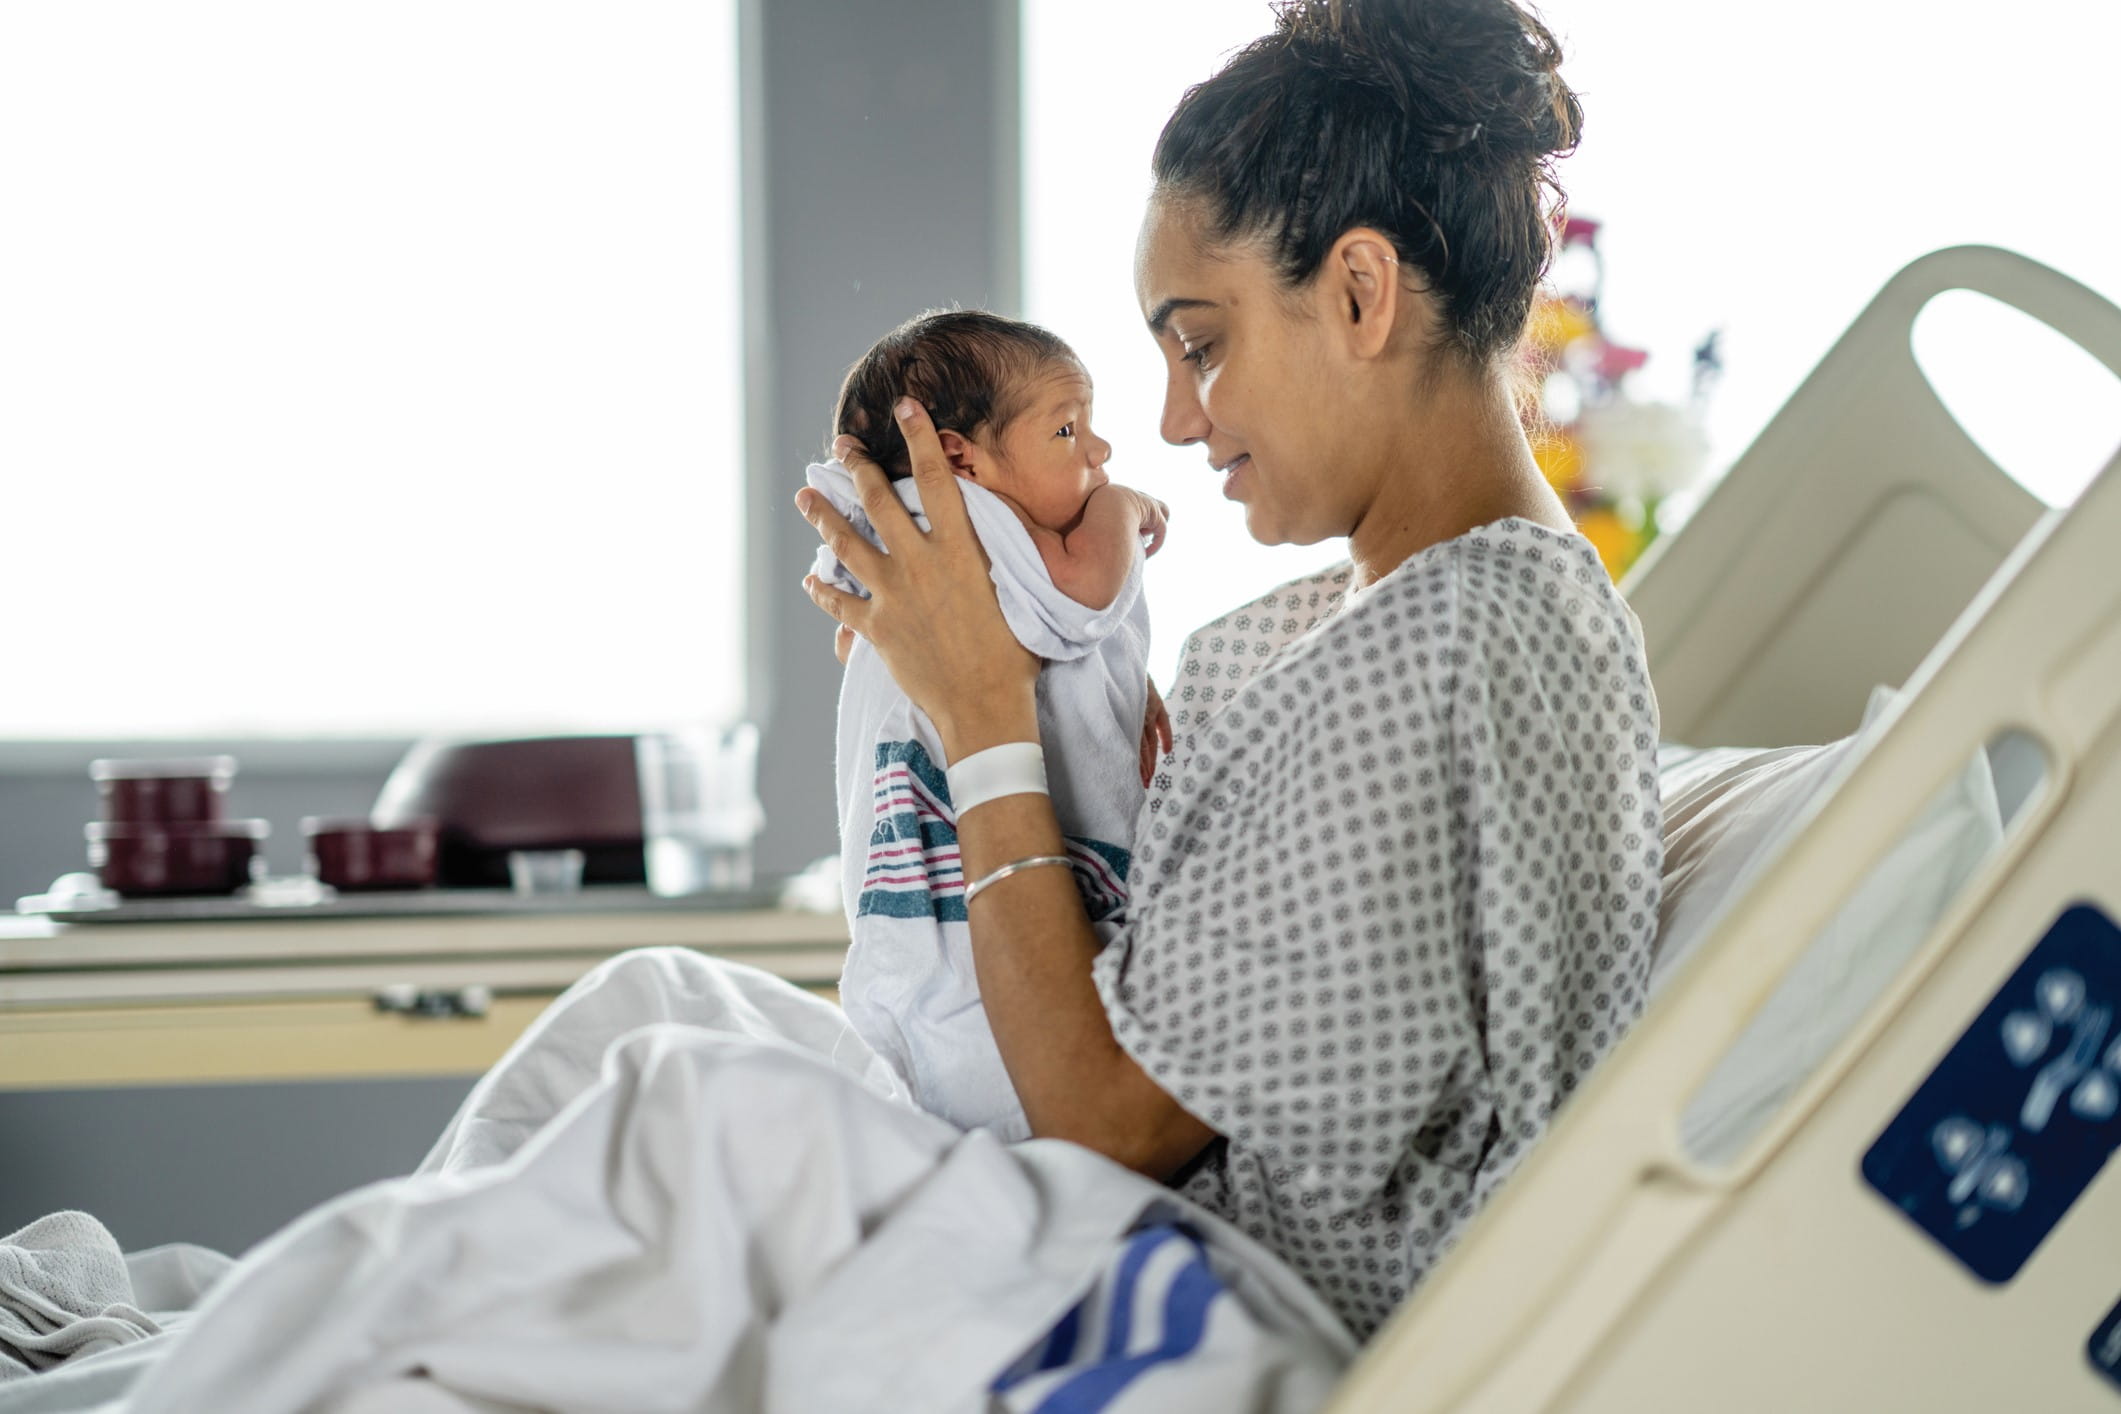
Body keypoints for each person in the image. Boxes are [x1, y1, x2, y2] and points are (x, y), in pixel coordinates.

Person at [798, 0, 1663, 1339]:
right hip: (1130, 1251)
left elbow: (1105, 1122)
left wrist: (984, 709)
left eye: (1200, 343)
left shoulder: (1454, 643)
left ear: (1361, 292)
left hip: (1217, 1314)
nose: (1171, 419)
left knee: (658, 1086)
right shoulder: (1333, 627)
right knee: (661, 1038)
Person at [806, 309, 1173, 1138]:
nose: (1099, 454)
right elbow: (1078, 606)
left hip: (910, 920)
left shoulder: (900, 535)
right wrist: (1120, 511)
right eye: (1066, 429)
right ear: (958, 459)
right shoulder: (973, 522)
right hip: (1013, 931)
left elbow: (1032, 643)